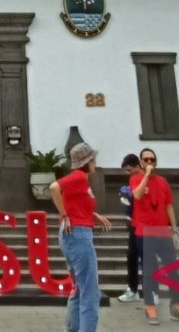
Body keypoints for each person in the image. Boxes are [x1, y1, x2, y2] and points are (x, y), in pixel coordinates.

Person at [50, 142, 113, 332]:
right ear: (89, 161)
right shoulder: (78, 177)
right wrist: (63, 214)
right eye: (93, 158)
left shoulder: (81, 180)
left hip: (74, 233)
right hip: (78, 234)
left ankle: (74, 328)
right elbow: (54, 187)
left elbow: (75, 203)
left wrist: (94, 216)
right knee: (90, 292)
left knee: (79, 288)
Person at [134, 147, 179, 324]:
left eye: (152, 160)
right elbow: (137, 195)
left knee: (173, 269)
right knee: (150, 270)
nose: (149, 163)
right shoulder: (136, 179)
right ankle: (149, 307)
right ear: (141, 163)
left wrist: (174, 231)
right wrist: (146, 176)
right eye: (146, 160)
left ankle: (176, 305)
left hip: (162, 231)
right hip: (144, 231)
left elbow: (169, 206)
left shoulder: (163, 182)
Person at [117, 153, 142, 303]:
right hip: (134, 223)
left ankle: (140, 289)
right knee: (132, 257)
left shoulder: (143, 179)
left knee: (141, 257)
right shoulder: (133, 180)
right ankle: (133, 288)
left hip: (146, 224)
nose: (128, 173)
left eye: (129, 169)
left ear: (137, 166)